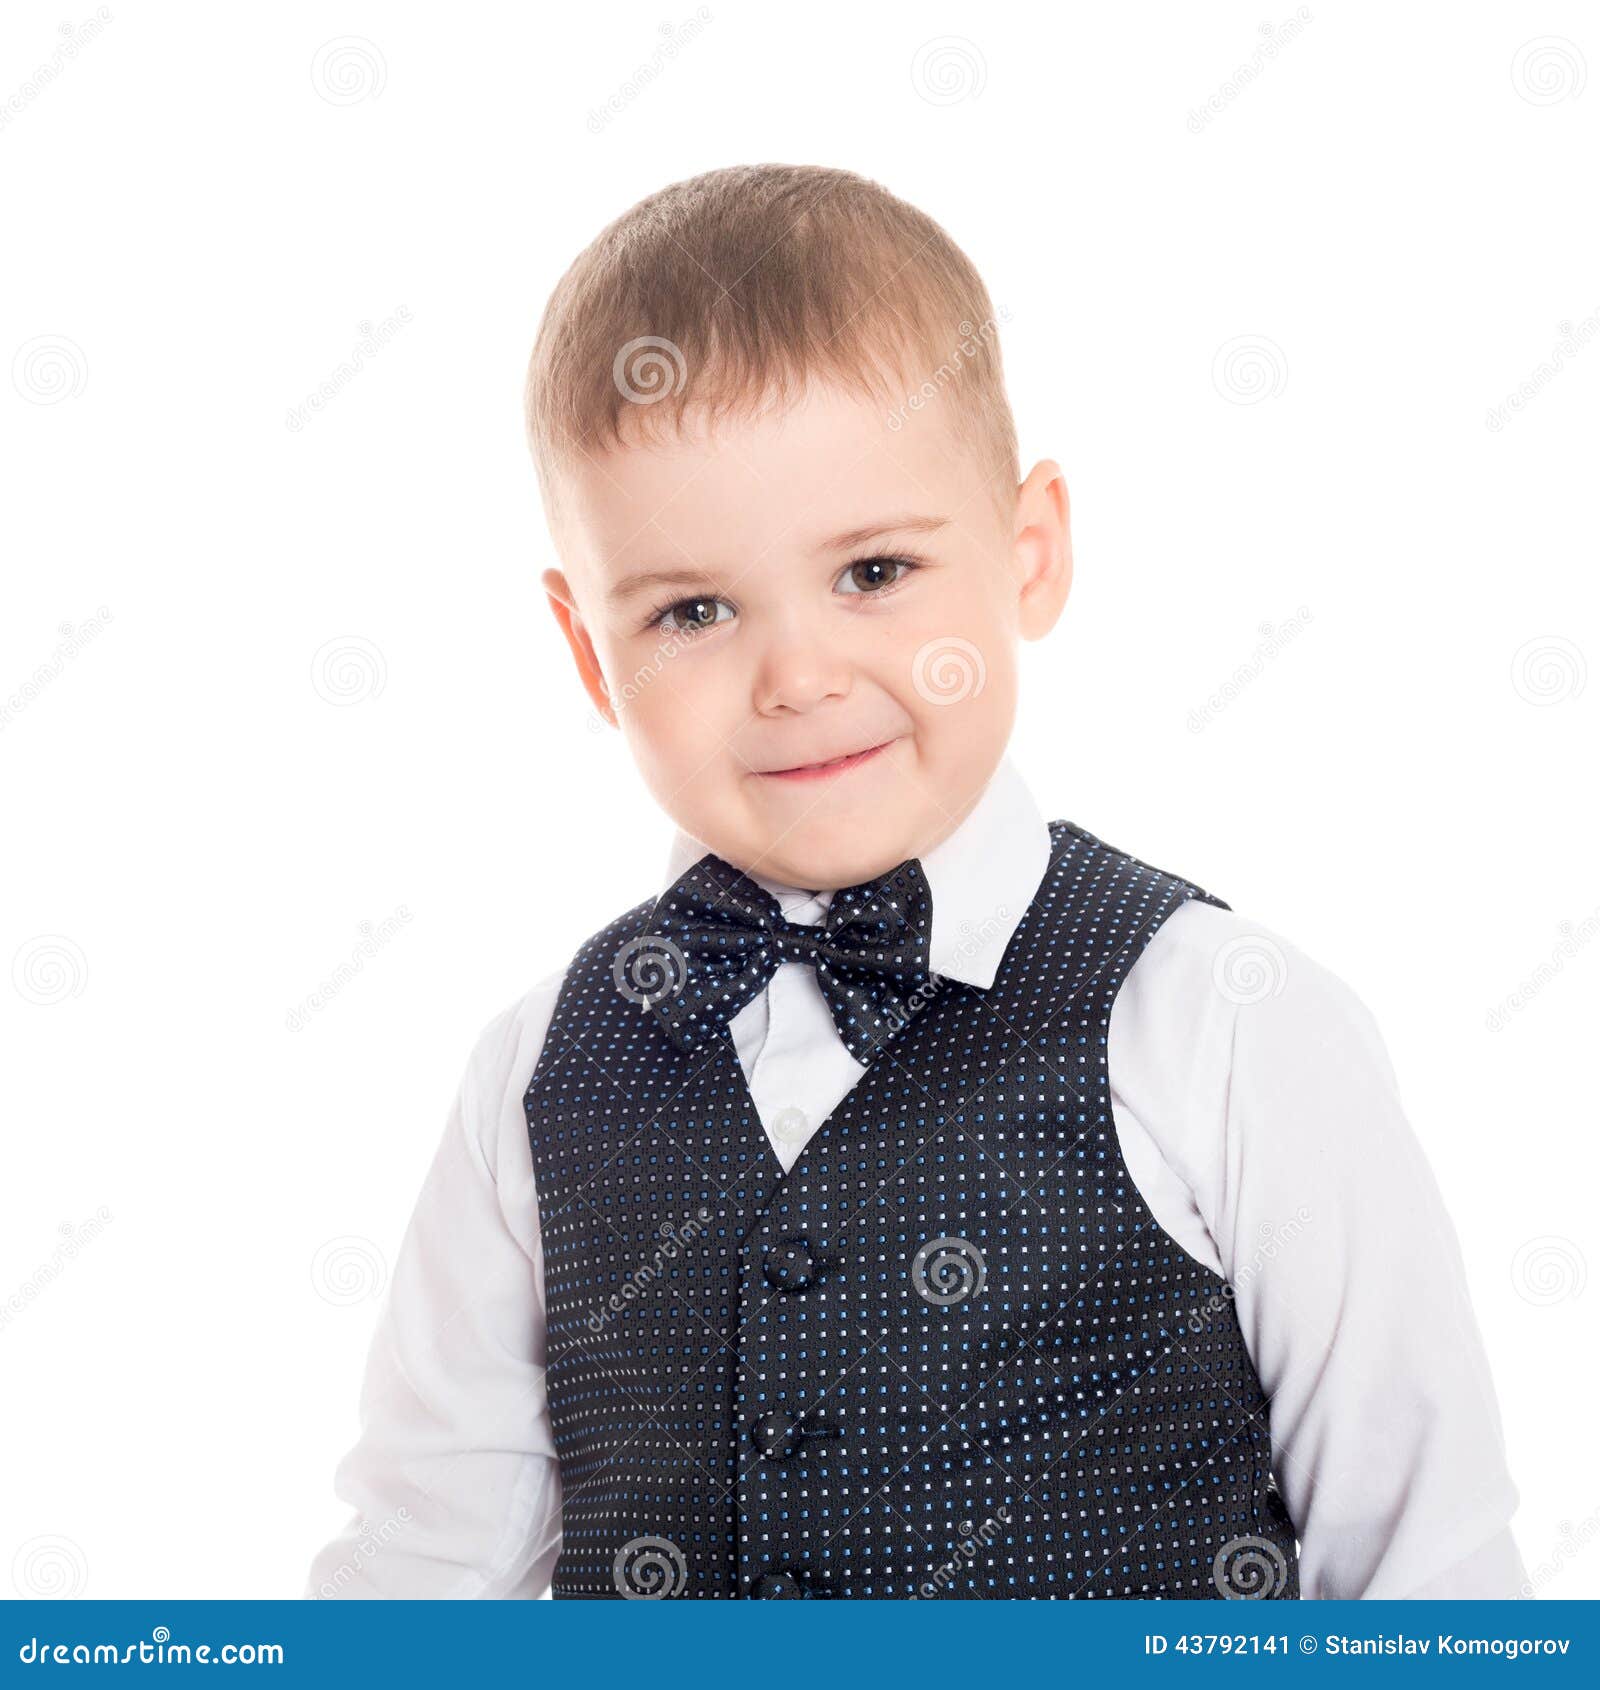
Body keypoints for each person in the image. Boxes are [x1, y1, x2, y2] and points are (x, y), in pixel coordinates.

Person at [307, 163, 1523, 1601]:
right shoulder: (534, 1074)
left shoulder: (1230, 1026)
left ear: (1030, 554)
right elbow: (422, 1574)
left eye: (874, 571)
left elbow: (1428, 1574)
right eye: (693, 609)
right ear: (589, 653)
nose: (800, 675)